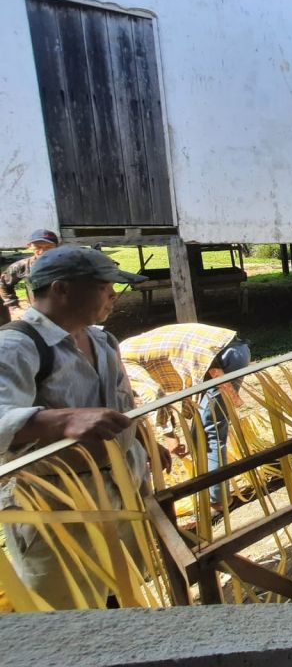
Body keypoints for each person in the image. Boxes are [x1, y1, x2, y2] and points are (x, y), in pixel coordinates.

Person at [0, 245, 164, 609]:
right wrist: (63, 419)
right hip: (57, 510)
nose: (112, 297)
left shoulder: (103, 340)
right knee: (70, 612)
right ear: (62, 289)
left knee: (124, 592)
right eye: (104, 288)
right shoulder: (16, 346)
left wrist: (145, 441)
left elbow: (123, 404)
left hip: (120, 489)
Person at [120, 324, 250, 511]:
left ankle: (220, 502)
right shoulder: (125, 350)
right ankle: (217, 496)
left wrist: (169, 435)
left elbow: (153, 393)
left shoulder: (120, 361)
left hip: (220, 357)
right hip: (228, 351)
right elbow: (181, 374)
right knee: (204, 429)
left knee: (207, 433)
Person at [1, 229, 60, 315]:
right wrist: (14, 307)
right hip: (37, 314)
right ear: (29, 246)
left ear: (57, 247)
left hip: (68, 315)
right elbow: (3, 283)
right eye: (38, 247)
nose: (42, 252)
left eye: (48, 247)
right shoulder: (23, 266)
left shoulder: (68, 264)